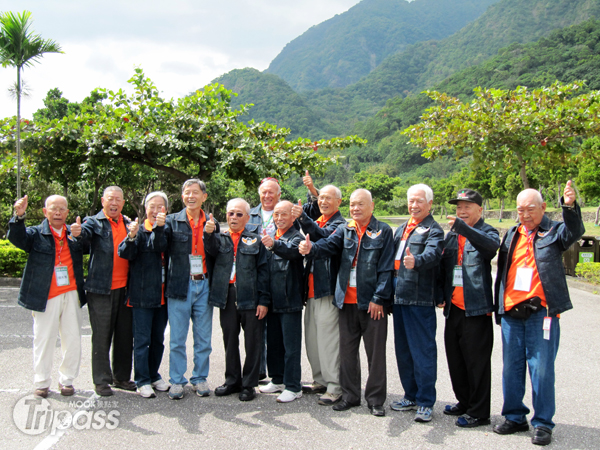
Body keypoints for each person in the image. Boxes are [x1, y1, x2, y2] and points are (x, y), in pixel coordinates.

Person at [493, 181, 584, 446]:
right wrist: (500, 306)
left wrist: (569, 206)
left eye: (530, 209)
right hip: (511, 311)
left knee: (541, 369)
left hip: (540, 313)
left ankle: (543, 422)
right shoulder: (512, 234)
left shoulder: (554, 231)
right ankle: (514, 416)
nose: (525, 214)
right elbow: (503, 272)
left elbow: (575, 231)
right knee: (511, 368)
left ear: (543, 208)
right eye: (520, 210)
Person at [299, 189, 394, 416]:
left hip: (372, 304)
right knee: (348, 353)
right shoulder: (346, 229)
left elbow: (387, 268)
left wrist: (379, 298)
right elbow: (328, 246)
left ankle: (375, 400)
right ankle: (351, 396)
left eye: (361, 204)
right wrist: (311, 248)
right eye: (352, 205)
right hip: (346, 302)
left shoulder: (383, 231)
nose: (356, 209)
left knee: (375, 355)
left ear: (372, 206)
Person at [8, 195, 86, 398]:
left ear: (67, 213)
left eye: (62, 209)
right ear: (45, 212)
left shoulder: (73, 233)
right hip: (45, 295)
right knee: (44, 339)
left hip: (71, 293)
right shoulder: (35, 234)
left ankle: (67, 380)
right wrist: (19, 216)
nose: (58, 212)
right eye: (53, 209)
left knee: (72, 339)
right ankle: (42, 382)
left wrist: (80, 236)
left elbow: (89, 248)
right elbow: (17, 238)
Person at [439, 189, 499, 427]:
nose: (461, 212)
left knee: (477, 364)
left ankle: (479, 412)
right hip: (454, 308)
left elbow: (490, 247)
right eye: (458, 208)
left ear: (479, 209)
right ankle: (464, 402)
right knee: (456, 360)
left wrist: (464, 229)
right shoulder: (452, 236)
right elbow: (444, 267)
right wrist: (440, 295)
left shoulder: (487, 231)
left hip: (476, 309)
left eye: (467, 207)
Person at [206, 198, 270, 402]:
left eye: (239, 214)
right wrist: (209, 234)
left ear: (248, 218)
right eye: (230, 213)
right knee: (229, 341)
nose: (233, 217)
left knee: (253, 342)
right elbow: (209, 251)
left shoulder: (256, 240)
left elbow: (264, 272)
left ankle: (249, 384)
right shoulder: (220, 238)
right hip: (227, 296)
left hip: (250, 298)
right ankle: (232, 380)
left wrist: (264, 301)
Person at [391, 184, 444, 422]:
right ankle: (410, 395)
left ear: (430, 204)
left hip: (419, 300)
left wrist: (417, 261)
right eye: (411, 201)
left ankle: (425, 401)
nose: (414, 205)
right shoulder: (402, 229)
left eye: (419, 201)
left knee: (423, 351)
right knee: (403, 352)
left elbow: (434, 254)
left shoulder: (434, 230)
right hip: (399, 298)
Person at [164, 179, 219, 400]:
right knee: (177, 337)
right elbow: (160, 247)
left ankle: (200, 378)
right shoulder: (171, 221)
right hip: (180, 284)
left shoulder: (211, 222)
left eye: (195, 193)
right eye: (187, 192)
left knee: (203, 338)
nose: (190, 196)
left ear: (204, 197)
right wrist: (158, 228)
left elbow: (216, 253)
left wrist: (210, 234)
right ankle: (177, 380)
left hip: (204, 284)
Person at [291, 184, 345, 405]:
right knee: (312, 338)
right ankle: (320, 380)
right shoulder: (320, 220)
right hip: (311, 290)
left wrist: (304, 219)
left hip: (327, 290)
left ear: (339, 202)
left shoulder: (340, 225)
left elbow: (324, 239)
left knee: (328, 339)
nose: (323, 202)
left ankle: (335, 386)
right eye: (320, 198)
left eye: (328, 198)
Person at [80, 186, 134, 397]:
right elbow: (83, 238)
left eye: (118, 200)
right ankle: (102, 380)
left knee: (124, 335)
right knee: (102, 336)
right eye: (110, 199)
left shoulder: (128, 223)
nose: (114, 203)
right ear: (103, 201)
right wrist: (77, 233)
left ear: (123, 203)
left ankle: (121, 377)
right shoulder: (93, 222)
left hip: (125, 289)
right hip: (100, 289)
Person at [117, 192, 170, 398]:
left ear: (166, 209)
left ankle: (154, 374)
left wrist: (160, 228)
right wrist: (130, 237)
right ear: (145, 208)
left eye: (160, 206)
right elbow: (125, 253)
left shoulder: (167, 229)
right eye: (152, 206)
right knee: (141, 340)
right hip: (141, 296)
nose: (156, 210)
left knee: (158, 339)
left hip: (164, 296)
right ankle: (142, 380)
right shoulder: (137, 230)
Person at [259, 201, 305, 403]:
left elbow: (292, 252)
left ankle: (294, 386)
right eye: (276, 214)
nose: (279, 218)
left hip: (290, 299)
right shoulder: (274, 235)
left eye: (284, 214)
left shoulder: (297, 237)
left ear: (293, 216)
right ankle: (277, 379)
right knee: (274, 344)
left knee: (291, 346)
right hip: (273, 300)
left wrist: (274, 245)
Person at [246, 177, 282, 381]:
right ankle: (258, 371)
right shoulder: (249, 214)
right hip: (255, 274)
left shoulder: (285, 213)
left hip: (278, 273)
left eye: (271, 192)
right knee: (256, 324)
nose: (267, 196)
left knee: (275, 328)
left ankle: (277, 373)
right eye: (264, 192)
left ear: (279, 195)